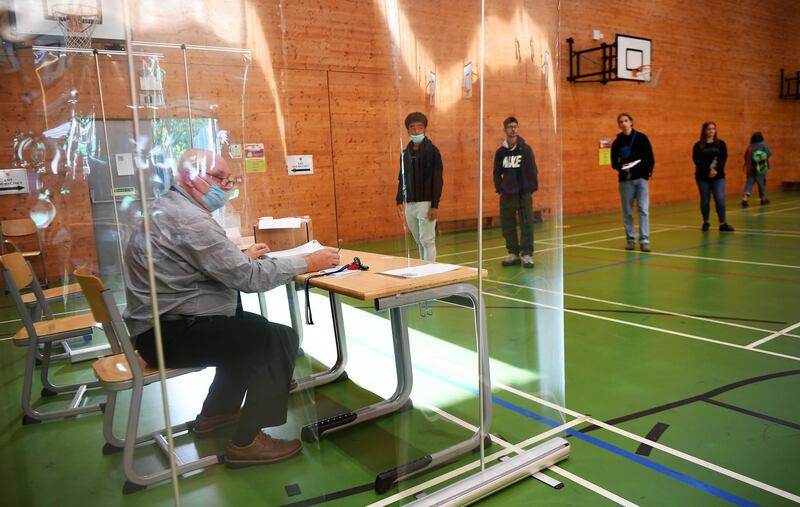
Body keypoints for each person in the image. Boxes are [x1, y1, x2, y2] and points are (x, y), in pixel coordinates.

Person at [124, 149, 339, 468]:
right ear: (189, 177)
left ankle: (216, 415)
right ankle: (247, 440)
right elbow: (247, 279)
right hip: (168, 335)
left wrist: (241, 258)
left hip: (160, 328)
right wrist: (307, 262)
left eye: (229, 179)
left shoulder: (168, 207)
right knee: (277, 338)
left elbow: (201, 265)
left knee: (247, 328)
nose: (226, 185)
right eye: (218, 178)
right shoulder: (191, 219)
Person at [395, 112, 443, 261]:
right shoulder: (405, 154)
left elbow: (438, 179)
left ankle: (430, 274)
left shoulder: (433, 151)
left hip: (426, 203)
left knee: (428, 241)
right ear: (408, 130)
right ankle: (424, 271)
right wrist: (398, 200)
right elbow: (401, 177)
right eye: (412, 128)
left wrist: (434, 205)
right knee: (419, 242)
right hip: (410, 203)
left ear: (424, 129)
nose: (416, 131)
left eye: (419, 128)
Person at [493, 116, 539, 268]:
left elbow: (533, 170)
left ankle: (526, 254)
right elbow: (496, 172)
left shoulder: (525, 149)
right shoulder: (500, 152)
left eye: (515, 126)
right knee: (507, 225)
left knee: (527, 224)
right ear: (505, 130)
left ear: (518, 129)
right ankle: (513, 253)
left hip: (523, 193)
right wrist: (500, 188)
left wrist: (531, 188)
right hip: (507, 195)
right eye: (509, 127)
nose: (513, 129)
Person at [610, 113, 655, 252]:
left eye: (626, 121)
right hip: (625, 181)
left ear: (631, 122)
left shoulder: (641, 138)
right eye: (621, 121)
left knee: (643, 209)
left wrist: (646, 174)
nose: (623, 123)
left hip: (641, 180)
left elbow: (650, 158)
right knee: (627, 211)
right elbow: (614, 162)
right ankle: (630, 240)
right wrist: (622, 168)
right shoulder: (617, 142)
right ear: (619, 124)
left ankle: (645, 240)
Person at [692, 122, 734, 231]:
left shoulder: (721, 144)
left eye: (713, 129)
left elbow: (723, 158)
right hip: (702, 177)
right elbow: (697, 161)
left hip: (718, 177)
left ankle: (722, 223)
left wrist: (715, 170)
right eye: (709, 129)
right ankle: (706, 222)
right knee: (705, 200)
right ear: (704, 131)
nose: (711, 131)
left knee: (719, 198)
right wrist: (708, 170)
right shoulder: (698, 146)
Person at [741, 131, 772, 207]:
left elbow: (745, 156)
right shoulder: (763, 145)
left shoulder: (749, 146)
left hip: (750, 168)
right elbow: (769, 153)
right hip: (760, 167)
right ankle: (763, 199)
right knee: (761, 183)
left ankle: (745, 198)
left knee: (749, 183)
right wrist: (761, 157)